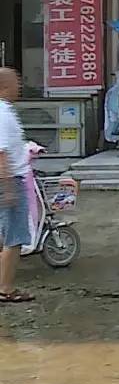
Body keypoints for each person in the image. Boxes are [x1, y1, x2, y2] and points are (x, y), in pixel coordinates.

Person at [0, 68, 33, 302]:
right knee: (14, 238)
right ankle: (6, 289)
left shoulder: (6, 111)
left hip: (10, 179)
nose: (19, 86)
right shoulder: (2, 114)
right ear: (4, 86)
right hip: (10, 181)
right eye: (15, 82)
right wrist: (9, 187)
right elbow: (1, 153)